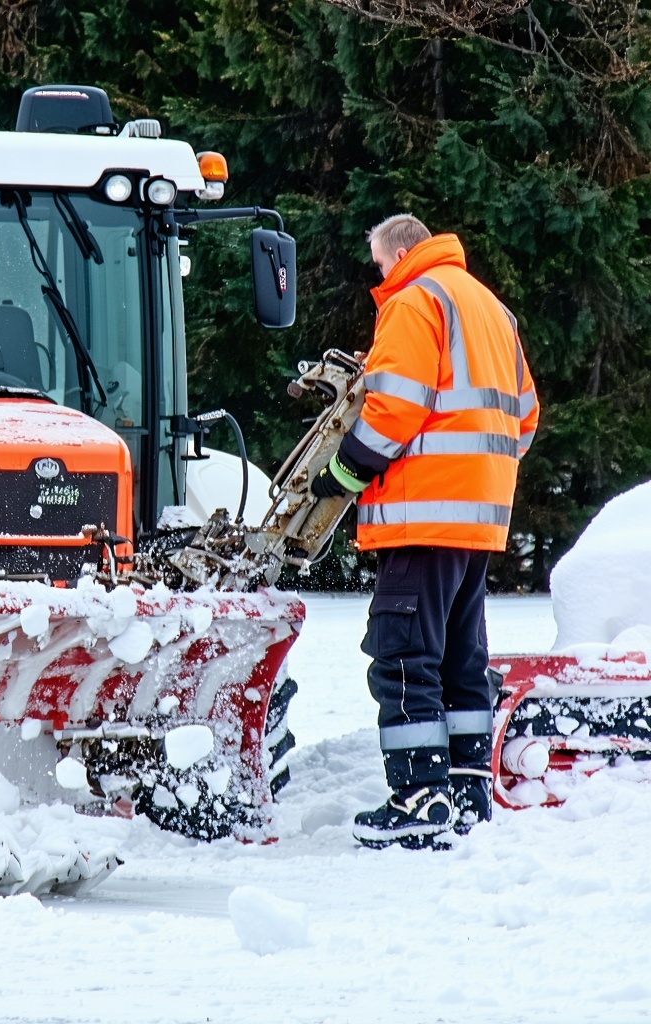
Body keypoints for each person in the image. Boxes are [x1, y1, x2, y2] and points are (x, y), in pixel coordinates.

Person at [310, 214, 539, 848]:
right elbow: (524, 418)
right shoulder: (491, 309)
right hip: (478, 521)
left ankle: (418, 794)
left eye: (381, 264)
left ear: (405, 252)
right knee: (460, 659)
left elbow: (395, 409)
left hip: (421, 515)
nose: (379, 277)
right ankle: (465, 791)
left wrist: (345, 472)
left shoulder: (416, 301)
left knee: (404, 655)